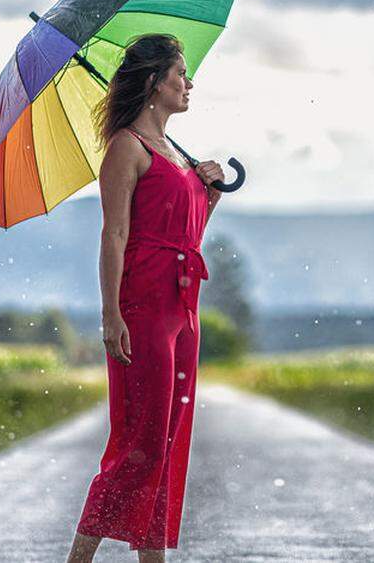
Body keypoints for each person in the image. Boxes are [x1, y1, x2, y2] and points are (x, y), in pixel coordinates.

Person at [66, 33, 225, 563]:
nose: (189, 83)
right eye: (180, 74)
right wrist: (111, 314)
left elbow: (189, 233)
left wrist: (211, 191)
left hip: (185, 308)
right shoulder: (126, 148)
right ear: (155, 82)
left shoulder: (176, 157)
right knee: (141, 442)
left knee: (168, 441)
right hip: (143, 306)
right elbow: (114, 235)